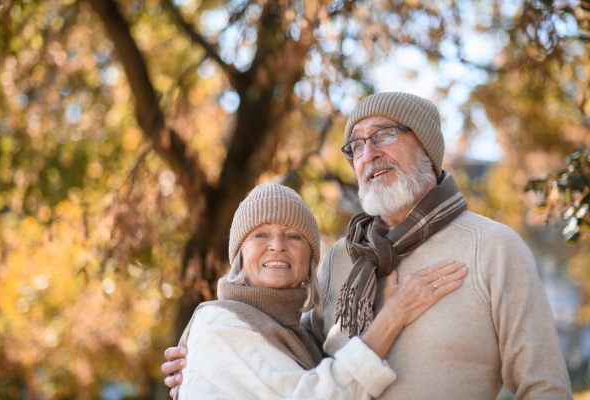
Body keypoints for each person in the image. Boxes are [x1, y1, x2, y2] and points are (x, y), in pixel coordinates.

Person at [164, 92, 572, 399]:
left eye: (384, 135)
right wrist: (206, 360)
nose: (368, 153)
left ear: (427, 148)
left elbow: (543, 386)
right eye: (356, 145)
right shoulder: (342, 258)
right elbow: (292, 358)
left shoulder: (494, 247)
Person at [171, 181, 466, 399]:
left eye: (293, 236)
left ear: (310, 263)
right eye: (260, 234)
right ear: (239, 256)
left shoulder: (301, 334)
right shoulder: (219, 323)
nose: (277, 245)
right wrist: (392, 317)